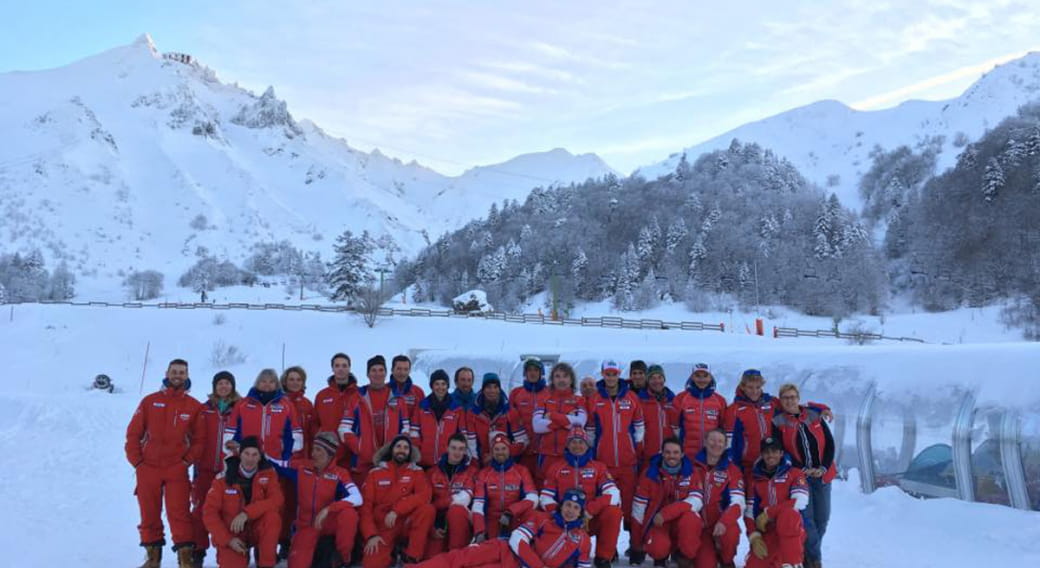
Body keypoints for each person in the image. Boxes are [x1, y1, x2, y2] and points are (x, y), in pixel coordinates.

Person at [126, 358, 206, 568]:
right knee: (149, 514)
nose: (177, 375)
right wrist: (137, 462)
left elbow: (199, 441)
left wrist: (186, 462)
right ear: (167, 373)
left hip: (176, 469)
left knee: (179, 514)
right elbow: (133, 433)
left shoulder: (193, 406)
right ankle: (153, 559)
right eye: (174, 372)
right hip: (148, 468)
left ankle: (185, 560)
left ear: (187, 376)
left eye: (181, 372)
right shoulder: (150, 401)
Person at [409, 488, 592, 568]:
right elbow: (517, 539)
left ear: (581, 512)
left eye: (576, 508)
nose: (570, 511)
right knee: (461, 558)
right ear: (561, 505)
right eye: (568, 505)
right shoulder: (543, 519)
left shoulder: (582, 540)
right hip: (505, 550)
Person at [540, 427, 622, 568]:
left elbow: (614, 494)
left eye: (581, 442)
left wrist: (589, 511)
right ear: (567, 445)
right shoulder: (556, 468)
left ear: (587, 445)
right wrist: (561, 514)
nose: (577, 446)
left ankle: (603, 557)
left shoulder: (598, 467)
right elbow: (545, 498)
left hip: (588, 520)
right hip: (564, 521)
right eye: (573, 442)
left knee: (613, 513)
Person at [773, 384, 834, 568]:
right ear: (780, 401)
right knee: (807, 521)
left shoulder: (813, 414)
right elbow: (781, 450)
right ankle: (814, 560)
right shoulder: (779, 421)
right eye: (785, 398)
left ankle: (810, 554)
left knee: (822, 519)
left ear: (798, 398)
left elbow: (830, 444)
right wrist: (800, 468)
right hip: (801, 477)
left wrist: (823, 467)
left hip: (823, 475)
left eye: (792, 397)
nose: (789, 401)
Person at [202, 437, 284, 568]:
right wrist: (228, 540)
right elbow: (209, 513)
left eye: (254, 454)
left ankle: (266, 563)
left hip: (257, 529)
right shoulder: (223, 479)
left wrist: (247, 513)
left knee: (272, 518)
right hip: (233, 534)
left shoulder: (268, 474)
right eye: (246, 453)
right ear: (240, 454)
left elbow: (277, 500)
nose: (250, 459)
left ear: (260, 457)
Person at [285, 432, 363, 568]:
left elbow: (357, 498)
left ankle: (342, 557)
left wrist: (329, 509)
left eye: (318, 450)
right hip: (306, 528)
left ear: (330, 454)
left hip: (327, 526)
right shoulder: (301, 467)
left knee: (349, 514)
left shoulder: (340, 473)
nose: (313, 454)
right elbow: (273, 463)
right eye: (313, 449)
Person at [190, 371, 241, 566]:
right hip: (204, 468)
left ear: (232, 386)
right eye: (220, 383)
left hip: (229, 470)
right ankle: (198, 551)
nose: (224, 387)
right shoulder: (203, 409)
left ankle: (229, 553)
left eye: (227, 383)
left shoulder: (241, 408)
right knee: (200, 510)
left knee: (229, 512)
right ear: (214, 387)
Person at [360, 435, 435, 567]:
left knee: (427, 510)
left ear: (410, 452)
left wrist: (397, 510)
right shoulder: (374, 473)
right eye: (398, 446)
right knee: (371, 563)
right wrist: (371, 535)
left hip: (406, 521)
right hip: (383, 526)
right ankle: (393, 553)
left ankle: (411, 557)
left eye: (406, 448)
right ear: (391, 449)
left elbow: (424, 496)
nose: (402, 450)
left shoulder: (416, 471)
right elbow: (365, 507)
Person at [586, 359, 644, 528]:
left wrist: (637, 448)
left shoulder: (631, 397)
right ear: (603, 374)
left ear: (619, 375)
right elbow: (590, 430)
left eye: (614, 374)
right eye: (607, 374)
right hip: (605, 462)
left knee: (628, 504)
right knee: (609, 504)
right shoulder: (595, 398)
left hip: (628, 462)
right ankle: (610, 549)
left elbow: (639, 426)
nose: (611, 378)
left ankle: (633, 545)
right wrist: (593, 453)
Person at [630, 437, 705, 567]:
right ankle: (661, 557)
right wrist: (636, 545)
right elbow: (638, 509)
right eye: (668, 452)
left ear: (682, 454)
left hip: (679, 522)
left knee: (692, 519)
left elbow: (696, 501)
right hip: (658, 523)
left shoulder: (692, 472)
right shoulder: (649, 473)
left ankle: (684, 556)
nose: (672, 456)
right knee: (658, 548)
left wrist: (666, 513)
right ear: (662, 453)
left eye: (676, 452)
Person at [339, 355, 411, 483]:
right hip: (363, 463)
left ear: (386, 373)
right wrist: (361, 448)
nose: (377, 374)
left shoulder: (397, 398)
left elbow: (405, 429)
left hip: (391, 461)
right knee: (364, 499)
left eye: (381, 370)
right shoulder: (357, 397)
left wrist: (396, 450)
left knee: (387, 499)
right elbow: (344, 429)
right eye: (373, 370)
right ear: (367, 374)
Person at [744, 437, 808, 568]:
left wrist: (769, 513)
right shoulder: (754, 479)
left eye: (774, 451)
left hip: (791, 530)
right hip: (768, 530)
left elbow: (800, 501)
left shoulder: (794, 473)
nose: (770, 455)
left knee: (788, 514)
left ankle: (793, 563)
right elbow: (749, 511)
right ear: (761, 455)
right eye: (766, 452)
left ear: (781, 453)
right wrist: (754, 536)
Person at [224, 369, 303, 470]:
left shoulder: (286, 405)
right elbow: (231, 431)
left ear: (276, 384)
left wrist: (286, 456)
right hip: (247, 461)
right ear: (257, 383)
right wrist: (234, 451)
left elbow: (294, 434)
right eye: (263, 381)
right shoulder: (243, 404)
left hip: (276, 460)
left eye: (271, 382)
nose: (267, 384)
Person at [692, 429, 745, 568]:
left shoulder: (732, 470)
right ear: (705, 442)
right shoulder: (692, 465)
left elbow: (738, 503)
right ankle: (690, 555)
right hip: (699, 526)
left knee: (731, 531)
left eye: (720, 441)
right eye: (712, 440)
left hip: (720, 523)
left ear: (726, 444)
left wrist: (724, 521)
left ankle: (726, 559)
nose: (716, 444)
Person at [471, 433, 539, 541]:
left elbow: (533, 498)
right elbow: (478, 504)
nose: (500, 452)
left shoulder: (521, 471)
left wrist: (511, 512)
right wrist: (479, 530)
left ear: (509, 450)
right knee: (492, 550)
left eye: (503, 448)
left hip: (515, 517)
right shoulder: (484, 474)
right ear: (492, 452)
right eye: (496, 449)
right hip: (492, 519)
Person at [279, 365, 316, 559]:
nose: (295, 382)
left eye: (298, 379)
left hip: (301, 461)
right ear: (284, 381)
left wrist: (311, 458)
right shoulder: (279, 402)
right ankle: (281, 540)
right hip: (281, 461)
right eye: (291, 379)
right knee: (280, 503)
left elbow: (311, 433)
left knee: (298, 503)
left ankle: (293, 541)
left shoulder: (307, 405)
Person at [531, 362, 587, 480]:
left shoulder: (579, 400)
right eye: (557, 376)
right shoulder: (544, 399)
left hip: (569, 455)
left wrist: (552, 415)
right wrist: (567, 418)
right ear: (552, 380)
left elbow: (579, 424)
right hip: (546, 455)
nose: (561, 380)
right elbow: (537, 426)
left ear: (571, 379)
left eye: (565, 376)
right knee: (544, 489)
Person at [425, 433, 477, 557]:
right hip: (438, 521)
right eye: (454, 448)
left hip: (459, 520)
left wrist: (447, 502)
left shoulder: (472, 472)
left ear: (465, 451)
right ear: (447, 448)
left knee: (456, 510)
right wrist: (433, 528)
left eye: (461, 449)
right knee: (433, 559)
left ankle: (456, 555)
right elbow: (426, 503)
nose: (457, 452)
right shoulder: (432, 472)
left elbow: (467, 498)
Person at [464, 373, 527, 464]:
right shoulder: (473, 413)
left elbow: (523, 442)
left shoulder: (510, 412)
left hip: (506, 463)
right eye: (488, 387)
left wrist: (501, 454)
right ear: (483, 390)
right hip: (482, 463)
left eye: (495, 387)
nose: (492, 390)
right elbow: (471, 444)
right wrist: (476, 464)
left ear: (499, 389)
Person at [411, 369, 466, 468]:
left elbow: (462, 435)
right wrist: (418, 452)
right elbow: (414, 432)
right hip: (424, 462)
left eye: (443, 384)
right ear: (432, 386)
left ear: (448, 386)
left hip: (448, 461)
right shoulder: (422, 407)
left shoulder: (456, 409)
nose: (440, 387)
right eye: (437, 384)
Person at [313, 353, 359, 468]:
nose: (341, 369)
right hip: (329, 454)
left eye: (344, 366)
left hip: (353, 453)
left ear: (349, 368)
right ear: (332, 368)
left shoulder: (359, 394)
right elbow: (315, 424)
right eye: (337, 366)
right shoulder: (322, 395)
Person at [674, 363, 728, 460]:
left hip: (711, 455)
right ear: (692, 377)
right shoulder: (681, 398)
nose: (701, 379)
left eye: (705, 376)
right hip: (687, 455)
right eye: (697, 376)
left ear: (710, 377)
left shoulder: (720, 400)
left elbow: (723, 428)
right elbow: (675, 428)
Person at [510, 357, 551, 481]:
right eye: (529, 370)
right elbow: (510, 419)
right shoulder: (516, 393)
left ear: (541, 373)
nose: (532, 373)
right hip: (524, 451)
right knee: (524, 482)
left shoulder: (550, 392)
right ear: (525, 373)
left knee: (543, 482)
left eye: (536, 370)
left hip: (544, 450)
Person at [637, 364, 679, 469]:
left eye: (660, 377)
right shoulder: (640, 401)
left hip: (670, 456)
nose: (657, 381)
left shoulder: (673, 400)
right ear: (648, 380)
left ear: (664, 379)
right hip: (648, 456)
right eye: (652, 378)